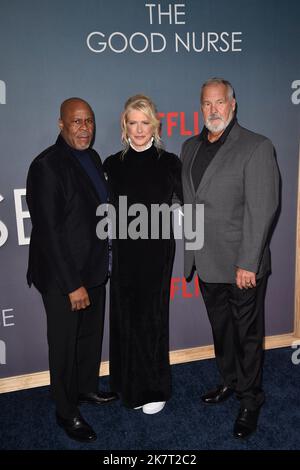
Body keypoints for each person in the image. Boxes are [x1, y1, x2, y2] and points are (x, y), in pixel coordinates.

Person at [181, 78, 279, 438]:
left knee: (247, 336)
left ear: (233, 105)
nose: (213, 110)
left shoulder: (256, 146)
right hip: (207, 261)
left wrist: (249, 262)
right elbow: (191, 200)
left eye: (219, 102)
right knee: (222, 331)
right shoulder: (190, 147)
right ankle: (229, 382)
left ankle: (251, 400)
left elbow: (263, 206)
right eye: (207, 104)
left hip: (241, 266)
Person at [26, 98, 118, 443]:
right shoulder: (47, 166)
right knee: (64, 344)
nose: (84, 128)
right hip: (63, 277)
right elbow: (49, 232)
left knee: (89, 337)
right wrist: (72, 285)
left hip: (93, 269)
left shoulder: (93, 158)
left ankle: (85, 389)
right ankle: (66, 411)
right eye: (77, 122)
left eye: (89, 122)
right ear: (61, 124)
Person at [103, 95, 182, 414]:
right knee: (124, 317)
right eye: (132, 122)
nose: (138, 129)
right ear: (124, 126)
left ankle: (152, 387)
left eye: (144, 122)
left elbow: (187, 207)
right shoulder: (111, 164)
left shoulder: (169, 162)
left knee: (152, 319)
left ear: (155, 125)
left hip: (156, 254)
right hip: (123, 254)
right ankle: (124, 382)